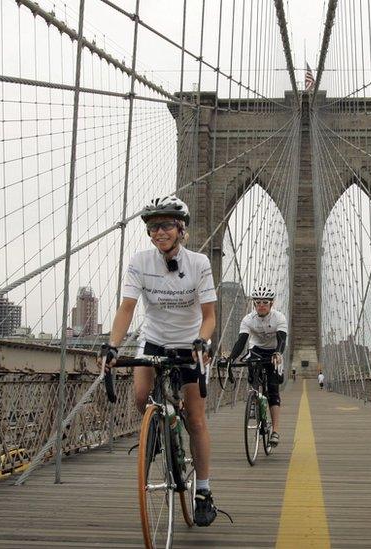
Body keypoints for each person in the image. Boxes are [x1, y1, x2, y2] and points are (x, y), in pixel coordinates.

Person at [102, 196, 220, 527]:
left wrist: (202, 341)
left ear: (181, 230)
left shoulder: (198, 264)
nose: (159, 232)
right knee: (141, 397)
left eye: (166, 225)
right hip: (153, 338)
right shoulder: (140, 262)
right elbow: (127, 308)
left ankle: (203, 491)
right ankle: (163, 423)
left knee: (196, 420)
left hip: (188, 344)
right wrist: (112, 345)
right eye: (153, 227)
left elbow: (209, 316)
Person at [223, 285, 287, 446]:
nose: (261, 305)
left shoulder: (279, 318)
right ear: (254, 304)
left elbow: (282, 340)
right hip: (256, 349)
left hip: (274, 351)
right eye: (257, 302)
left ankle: (275, 431)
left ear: (271, 304)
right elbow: (241, 341)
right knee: (251, 363)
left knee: (273, 391)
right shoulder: (248, 319)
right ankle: (254, 399)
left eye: (265, 302)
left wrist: (278, 354)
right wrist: (231, 358)